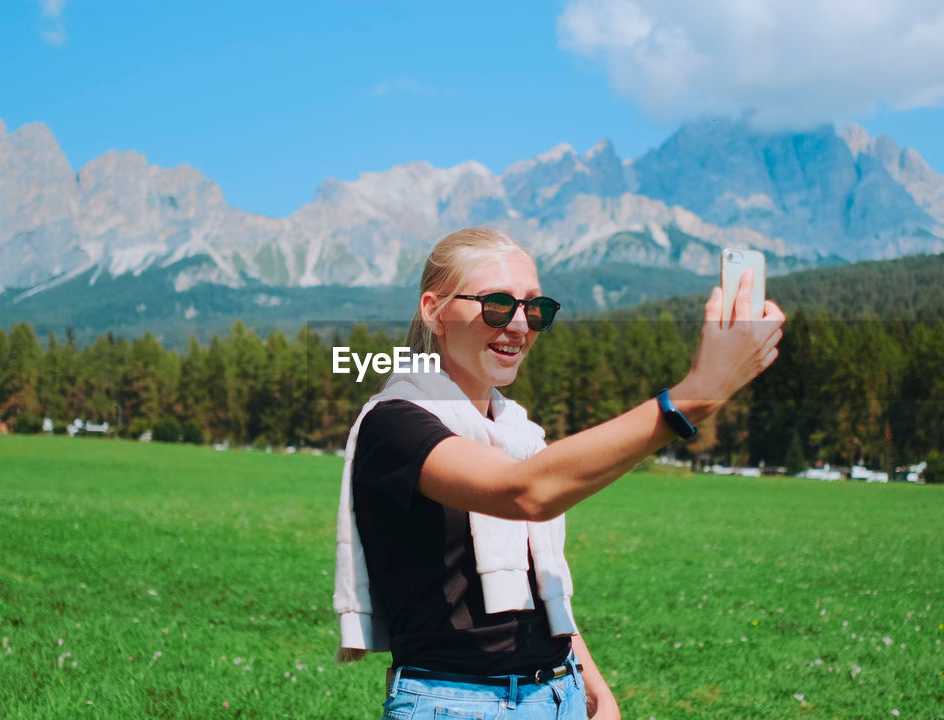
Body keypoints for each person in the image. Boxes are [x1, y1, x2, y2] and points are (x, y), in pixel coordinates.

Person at [334, 228, 785, 719]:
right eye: (497, 305)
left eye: (535, 309)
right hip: (458, 704)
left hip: (558, 693)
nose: (520, 325)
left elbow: (539, 580)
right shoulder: (394, 423)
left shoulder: (518, 433)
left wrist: (591, 686)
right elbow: (526, 492)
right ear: (434, 310)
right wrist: (693, 396)